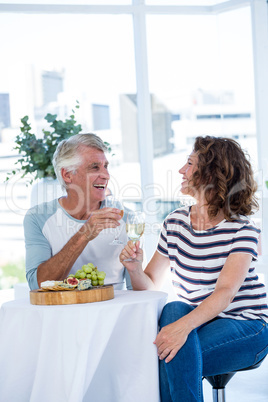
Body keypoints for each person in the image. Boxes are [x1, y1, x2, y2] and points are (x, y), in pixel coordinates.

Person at [120, 136, 268, 402]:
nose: (181, 170)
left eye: (189, 164)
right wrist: (134, 268)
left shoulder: (242, 229)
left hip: (247, 325)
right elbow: (151, 283)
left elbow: (225, 292)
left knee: (167, 356)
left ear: (212, 172)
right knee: (173, 309)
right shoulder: (175, 222)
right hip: (200, 323)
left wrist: (181, 329)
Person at [24, 133, 131, 291]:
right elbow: (37, 285)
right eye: (95, 167)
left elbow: (135, 290)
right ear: (67, 175)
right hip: (63, 313)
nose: (106, 175)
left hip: (114, 312)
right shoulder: (38, 218)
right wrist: (84, 235)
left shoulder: (124, 217)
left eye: (106, 166)